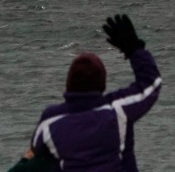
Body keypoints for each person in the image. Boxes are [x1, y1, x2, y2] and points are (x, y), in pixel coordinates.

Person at [28, 14, 162, 172]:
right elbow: (151, 84)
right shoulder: (116, 111)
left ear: (68, 83)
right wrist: (134, 49)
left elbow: (35, 157)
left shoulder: (49, 121)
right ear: (102, 83)